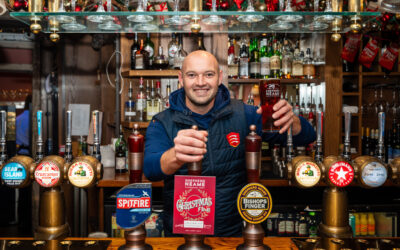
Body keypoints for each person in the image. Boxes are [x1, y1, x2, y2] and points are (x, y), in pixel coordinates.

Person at [144, 51, 316, 237]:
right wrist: (176, 154)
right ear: (181, 79)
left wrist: (294, 123)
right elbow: (151, 169)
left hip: (232, 235)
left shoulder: (244, 114)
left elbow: (306, 137)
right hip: (181, 235)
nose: (200, 82)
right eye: (192, 75)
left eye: (208, 74)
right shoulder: (162, 121)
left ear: (219, 77)